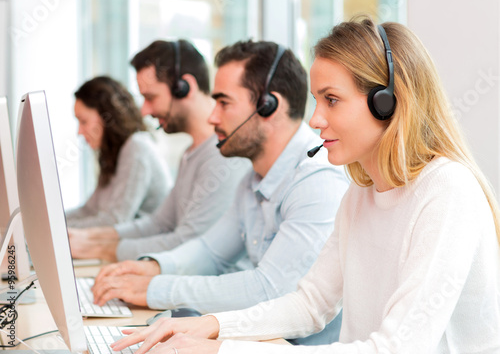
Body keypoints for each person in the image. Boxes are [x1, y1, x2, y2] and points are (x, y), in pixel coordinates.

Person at [109, 18, 500, 353]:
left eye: (332, 100)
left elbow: (399, 348)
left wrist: (223, 347)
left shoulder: (446, 192)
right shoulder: (359, 195)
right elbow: (310, 304)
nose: (315, 120)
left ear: (388, 102)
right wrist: (209, 325)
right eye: (317, 100)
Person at [91, 40, 350, 345]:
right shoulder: (253, 177)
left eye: (224, 103)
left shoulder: (318, 181)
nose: (212, 117)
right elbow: (210, 251)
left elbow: (269, 289)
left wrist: (154, 288)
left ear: (269, 105)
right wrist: (152, 267)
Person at [69, 40, 250, 262]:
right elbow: (160, 224)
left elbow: (187, 244)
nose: (144, 110)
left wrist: (97, 249)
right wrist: (88, 238)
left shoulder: (222, 156)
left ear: (184, 88)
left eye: (150, 97)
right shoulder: (190, 153)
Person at [66, 76, 172, 228]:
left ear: (107, 116)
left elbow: (115, 221)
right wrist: (48, 223)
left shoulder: (137, 148)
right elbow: (89, 210)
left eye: (84, 121)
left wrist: (57, 231)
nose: (79, 132)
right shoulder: (113, 154)